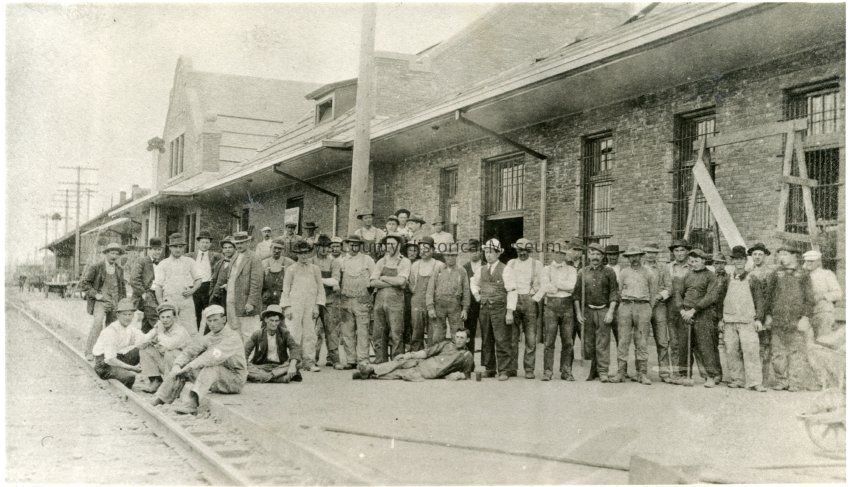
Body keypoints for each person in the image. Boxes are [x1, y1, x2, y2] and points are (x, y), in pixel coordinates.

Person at [151, 305, 247, 414]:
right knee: (182, 368)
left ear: (224, 319)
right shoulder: (210, 336)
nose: (212, 324)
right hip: (217, 380)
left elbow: (211, 356)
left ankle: (192, 404)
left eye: (215, 320)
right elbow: (190, 350)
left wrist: (189, 366)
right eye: (209, 321)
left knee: (210, 367)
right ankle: (162, 398)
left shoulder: (232, 337)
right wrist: (177, 365)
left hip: (234, 380)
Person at [764, 245, 817, 391]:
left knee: (796, 352)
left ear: (794, 256)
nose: (782, 257)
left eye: (785, 254)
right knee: (778, 352)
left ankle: (795, 381)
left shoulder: (803, 275)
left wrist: (805, 317)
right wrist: (768, 315)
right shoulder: (776, 274)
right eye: (780, 254)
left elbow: (809, 299)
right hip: (778, 319)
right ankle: (782, 380)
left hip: (796, 320)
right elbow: (769, 296)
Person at [720, 245, 767, 392]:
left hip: (747, 321)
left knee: (751, 351)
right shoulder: (727, 279)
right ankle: (737, 379)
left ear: (745, 260)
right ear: (732, 261)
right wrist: (720, 319)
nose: (738, 261)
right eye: (736, 259)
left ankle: (755, 382)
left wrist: (758, 319)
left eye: (741, 259)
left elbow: (759, 300)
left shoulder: (752, 279)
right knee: (731, 351)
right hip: (729, 321)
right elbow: (720, 300)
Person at [675, 248, 722, 387]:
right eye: (691, 261)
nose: (693, 264)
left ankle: (710, 376)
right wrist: (682, 310)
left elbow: (711, 296)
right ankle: (684, 375)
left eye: (696, 261)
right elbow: (678, 293)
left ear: (703, 261)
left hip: (703, 314)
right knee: (684, 345)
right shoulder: (687, 275)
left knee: (705, 345)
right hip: (685, 315)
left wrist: (694, 310)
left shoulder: (710, 276)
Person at [354, 329, 474, 381]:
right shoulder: (447, 344)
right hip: (422, 362)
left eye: (462, 338)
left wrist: (460, 376)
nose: (458, 340)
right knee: (400, 361)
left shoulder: (467, 355)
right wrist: (409, 355)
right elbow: (427, 352)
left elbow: (467, 374)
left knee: (400, 373)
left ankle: (371, 373)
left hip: (429, 371)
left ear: (467, 340)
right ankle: (371, 369)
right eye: (457, 337)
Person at [573, 243, 618, 382]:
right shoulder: (582, 272)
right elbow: (576, 295)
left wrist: (610, 312)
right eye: (592, 254)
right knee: (588, 342)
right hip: (587, 311)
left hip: (603, 310)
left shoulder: (609, 272)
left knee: (602, 343)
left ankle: (603, 371)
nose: (595, 257)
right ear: (589, 256)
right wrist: (578, 313)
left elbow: (614, 293)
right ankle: (591, 371)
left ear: (603, 256)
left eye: (598, 254)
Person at [470, 238, 513, 380]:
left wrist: (509, 312)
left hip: (500, 309)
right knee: (486, 338)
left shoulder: (506, 269)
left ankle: (504, 370)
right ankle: (489, 368)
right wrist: (477, 295)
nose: (488, 255)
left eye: (491, 252)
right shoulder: (481, 269)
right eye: (486, 252)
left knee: (501, 338)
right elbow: (473, 283)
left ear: (498, 253)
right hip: (485, 309)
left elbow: (512, 291)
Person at [612, 246, 656, 385]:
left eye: (636, 255)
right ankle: (621, 373)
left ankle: (641, 373)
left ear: (641, 256)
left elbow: (653, 293)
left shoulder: (648, 272)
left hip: (643, 306)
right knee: (623, 339)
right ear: (628, 258)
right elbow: (619, 291)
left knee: (641, 340)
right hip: (626, 306)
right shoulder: (624, 272)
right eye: (631, 256)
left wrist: (648, 308)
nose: (634, 259)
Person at [281, 239, 326, 372]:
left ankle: (309, 362)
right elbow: (285, 289)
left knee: (310, 333)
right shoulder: (291, 269)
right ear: (297, 254)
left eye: (306, 253)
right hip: (295, 304)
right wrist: (287, 307)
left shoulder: (315, 269)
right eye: (301, 253)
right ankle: (294, 361)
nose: (304, 256)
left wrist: (317, 306)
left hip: (310, 305)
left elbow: (320, 289)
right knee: (294, 332)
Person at [534, 242, 577, 381]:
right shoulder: (546, 269)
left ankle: (566, 371)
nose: (558, 255)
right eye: (556, 252)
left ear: (565, 255)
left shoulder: (572, 270)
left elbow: (572, 286)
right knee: (549, 341)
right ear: (552, 253)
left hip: (567, 306)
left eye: (561, 253)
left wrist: (555, 284)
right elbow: (545, 286)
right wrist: (560, 286)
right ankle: (548, 371)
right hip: (551, 307)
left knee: (568, 341)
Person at [81, 242, 128, 361]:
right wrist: (96, 295)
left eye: (116, 254)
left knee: (112, 327)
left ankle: (109, 353)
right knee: (98, 323)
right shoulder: (96, 267)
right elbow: (85, 284)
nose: (114, 256)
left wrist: (123, 303)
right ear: (106, 254)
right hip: (100, 301)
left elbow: (122, 288)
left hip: (115, 302)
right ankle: (90, 351)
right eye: (112, 253)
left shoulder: (119, 269)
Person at [505, 238, 543, 379]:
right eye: (520, 250)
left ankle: (529, 369)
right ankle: (512, 368)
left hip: (530, 301)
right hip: (514, 300)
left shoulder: (537, 264)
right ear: (516, 250)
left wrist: (535, 298)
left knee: (531, 338)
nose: (522, 253)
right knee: (512, 337)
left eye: (525, 251)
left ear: (530, 251)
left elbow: (543, 284)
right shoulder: (511, 263)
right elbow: (508, 284)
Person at [337, 235, 375, 369]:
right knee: (347, 331)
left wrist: (370, 297)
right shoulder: (342, 261)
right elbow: (338, 280)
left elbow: (374, 279)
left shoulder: (367, 260)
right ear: (347, 245)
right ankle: (351, 360)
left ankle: (363, 359)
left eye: (356, 245)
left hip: (362, 300)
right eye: (351, 245)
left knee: (363, 331)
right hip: (346, 299)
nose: (353, 247)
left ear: (360, 246)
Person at [370, 234, 411, 362]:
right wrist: (393, 282)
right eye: (387, 244)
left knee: (396, 333)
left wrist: (383, 277)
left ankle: (396, 362)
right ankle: (380, 361)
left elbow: (401, 281)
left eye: (392, 244)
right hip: (379, 302)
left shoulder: (405, 261)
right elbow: (373, 282)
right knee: (378, 333)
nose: (389, 247)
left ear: (399, 246)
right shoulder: (381, 261)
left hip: (396, 302)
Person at [153, 233, 203, 336]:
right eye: (175, 247)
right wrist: (162, 304)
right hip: (170, 300)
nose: (178, 249)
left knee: (190, 328)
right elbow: (158, 286)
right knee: (171, 329)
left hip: (186, 299)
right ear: (170, 247)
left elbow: (198, 279)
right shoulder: (163, 264)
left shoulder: (189, 261)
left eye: (180, 247)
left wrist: (192, 290)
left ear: (184, 248)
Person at [138, 302, 192, 393]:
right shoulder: (160, 327)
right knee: (145, 349)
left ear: (174, 318)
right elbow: (141, 342)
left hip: (183, 368)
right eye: (162, 317)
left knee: (170, 352)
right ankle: (156, 381)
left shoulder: (180, 330)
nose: (165, 320)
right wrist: (150, 339)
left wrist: (159, 333)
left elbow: (168, 345)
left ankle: (173, 385)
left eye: (168, 317)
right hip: (168, 365)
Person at [92, 298, 146, 388]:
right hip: (104, 364)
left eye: (130, 314)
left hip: (117, 357)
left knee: (142, 350)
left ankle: (154, 381)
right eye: (124, 314)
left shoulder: (129, 327)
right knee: (130, 377)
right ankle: (124, 388)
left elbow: (144, 339)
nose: (127, 317)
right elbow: (110, 359)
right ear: (118, 315)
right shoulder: (111, 331)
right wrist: (132, 368)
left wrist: (156, 330)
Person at [244, 305, 302, 383]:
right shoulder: (257, 334)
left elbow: (294, 348)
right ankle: (278, 378)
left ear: (279, 321)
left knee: (297, 363)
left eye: (276, 321)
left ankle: (264, 377)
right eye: (271, 320)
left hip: (280, 366)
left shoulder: (284, 333)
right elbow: (245, 351)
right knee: (245, 366)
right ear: (266, 319)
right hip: (261, 367)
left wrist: (292, 366)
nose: (274, 324)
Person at [642, 243, 674, 383]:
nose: (651, 255)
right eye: (648, 252)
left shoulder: (663, 268)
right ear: (644, 253)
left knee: (662, 341)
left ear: (657, 254)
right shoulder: (639, 268)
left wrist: (659, 296)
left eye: (654, 253)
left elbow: (669, 288)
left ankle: (665, 373)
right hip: (643, 306)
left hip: (659, 307)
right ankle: (641, 372)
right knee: (641, 340)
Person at [225, 231, 264, 342]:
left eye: (242, 243)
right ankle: (238, 353)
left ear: (248, 242)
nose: (239, 245)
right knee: (234, 331)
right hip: (232, 300)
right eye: (237, 243)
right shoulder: (235, 256)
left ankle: (250, 353)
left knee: (249, 333)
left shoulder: (254, 258)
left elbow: (257, 283)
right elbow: (233, 277)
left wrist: (251, 302)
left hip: (246, 301)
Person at [427, 244, 469, 345]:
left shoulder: (461, 271)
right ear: (444, 256)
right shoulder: (438, 269)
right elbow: (430, 288)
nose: (450, 258)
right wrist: (430, 307)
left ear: (456, 256)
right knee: (437, 335)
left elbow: (466, 290)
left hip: (455, 306)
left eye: (453, 255)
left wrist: (465, 309)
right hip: (439, 306)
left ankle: (456, 354)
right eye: (448, 255)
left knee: (457, 334)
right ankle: (438, 354)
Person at [747, 242, 774, 387]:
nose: (757, 257)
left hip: (764, 314)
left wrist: (768, 315)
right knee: (751, 346)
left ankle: (764, 379)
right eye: (754, 254)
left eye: (760, 254)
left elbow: (770, 296)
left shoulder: (770, 273)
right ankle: (752, 378)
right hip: (750, 313)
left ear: (765, 256)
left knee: (764, 346)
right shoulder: (748, 272)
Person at [408, 236, 442, 351]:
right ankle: (416, 356)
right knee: (416, 332)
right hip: (417, 302)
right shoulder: (415, 265)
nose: (423, 251)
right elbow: (411, 284)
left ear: (432, 250)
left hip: (434, 303)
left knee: (433, 333)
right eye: (421, 249)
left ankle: (432, 355)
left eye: (426, 249)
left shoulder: (439, 265)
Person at [313, 235, 342, 368]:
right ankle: (312, 358)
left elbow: (335, 281)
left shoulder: (334, 262)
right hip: (313, 300)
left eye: (327, 247)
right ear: (317, 247)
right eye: (322, 247)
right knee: (313, 331)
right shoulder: (311, 261)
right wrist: (325, 281)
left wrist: (318, 280)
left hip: (329, 300)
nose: (324, 249)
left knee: (331, 330)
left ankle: (334, 359)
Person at [666, 239, 692, 383]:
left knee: (685, 342)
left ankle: (686, 373)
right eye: (676, 250)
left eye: (682, 250)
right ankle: (675, 372)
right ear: (673, 253)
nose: (679, 253)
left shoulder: (692, 266)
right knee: (674, 342)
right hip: (671, 308)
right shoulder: (668, 267)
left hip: (687, 308)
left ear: (687, 251)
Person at [187, 231, 222, 331]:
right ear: (198, 243)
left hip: (208, 287)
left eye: (207, 242)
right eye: (202, 242)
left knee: (210, 313)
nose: (205, 244)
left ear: (210, 244)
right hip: (194, 287)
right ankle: (195, 334)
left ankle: (209, 334)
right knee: (195, 313)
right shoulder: (189, 256)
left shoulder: (216, 256)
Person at [802, 250, 842, 339]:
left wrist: (822, 296)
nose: (808, 263)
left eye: (811, 261)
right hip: (806, 314)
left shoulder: (826, 274)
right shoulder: (802, 275)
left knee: (823, 340)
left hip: (823, 313)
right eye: (807, 261)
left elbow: (838, 293)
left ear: (818, 262)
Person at [130, 237, 163, 333]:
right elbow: (134, 279)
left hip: (157, 294)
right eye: (155, 249)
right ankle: (164, 337)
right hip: (146, 294)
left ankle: (144, 339)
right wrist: (143, 293)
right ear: (149, 250)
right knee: (155, 319)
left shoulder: (161, 263)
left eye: (159, 249)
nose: (157, 252)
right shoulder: (142, 261)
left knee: (147, 323)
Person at [462, 239, 482, 356]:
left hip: (484, 304)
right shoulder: (464, 268)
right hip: (470, 305)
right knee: (470, 332)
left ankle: (487, 363)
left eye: (476, 250)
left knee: (487, 333)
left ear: (480, 251)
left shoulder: (486, 265)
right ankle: (470, 361)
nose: (474, 253)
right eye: (471, 251)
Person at [261, 238, 294, 307]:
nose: (277, 251)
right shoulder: (264, 263)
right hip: (267, 299)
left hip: (283, 299)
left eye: (279, 249)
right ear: (270, 248)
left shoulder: (289, 262)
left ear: (283, 250)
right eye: (275, 248)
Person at [402, 239, 420, 351]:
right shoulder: (403, 262)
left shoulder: (419, 264)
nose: (412, 253)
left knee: (415, 320)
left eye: (415, 250)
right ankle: (405, 343)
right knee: (405, 318)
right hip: (405, 294)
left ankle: (415, 345)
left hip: (417, 293)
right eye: (410, 250)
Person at [208, 236, 235, 308]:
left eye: (230, 247)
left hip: (229, 297)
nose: (227, 250)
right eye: (225, 248)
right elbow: (213, 279)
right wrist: (211, 293)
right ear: (222, 250)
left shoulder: (237, 263)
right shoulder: (219, 263)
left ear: (235, 248)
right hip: (215, 296)